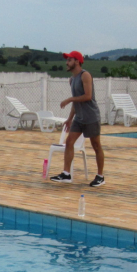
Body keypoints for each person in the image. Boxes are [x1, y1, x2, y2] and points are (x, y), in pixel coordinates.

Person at [49, 51, 107, 187]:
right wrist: (70, 119)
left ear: (77, 61)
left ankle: (100, 176)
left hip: (91, 116)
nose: (66, 63)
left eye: (69, 60)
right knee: (69, 142)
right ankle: (66, 174)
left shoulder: (85, 75)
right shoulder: (72, 79)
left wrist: (69, 99)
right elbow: (77, 102)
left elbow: (87, 96)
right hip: (79, 118)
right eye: (67, 60)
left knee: (96, 146)